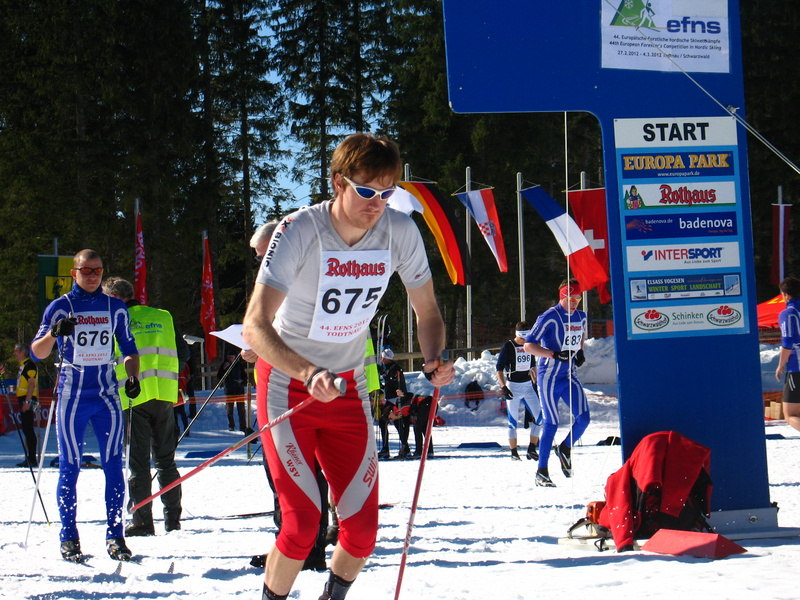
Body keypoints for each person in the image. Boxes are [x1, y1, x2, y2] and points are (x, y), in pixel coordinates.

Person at [242, 132, 453, 600]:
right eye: (365, 191)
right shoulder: (300, 229)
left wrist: (434, 358)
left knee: (362, 532)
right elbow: (255, 325)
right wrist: (307, 372)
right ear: (338, 183)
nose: (377, 204)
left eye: (387, 193)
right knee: (302, 525)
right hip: (287, 387)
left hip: (348, 389)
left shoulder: (399, 231)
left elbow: (428, 312)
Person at [31, 249, 140, 562]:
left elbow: (129, 349)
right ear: (74, 273)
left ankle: (115, 536)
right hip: (72, 397)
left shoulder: (115, 307)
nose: (92, 276)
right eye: (86, 270)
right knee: (70, 465)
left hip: (106, 396)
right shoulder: (60, 306)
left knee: (113, 464)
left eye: (97, 271)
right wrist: (54, 333)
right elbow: (37, 352)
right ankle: (68, 536)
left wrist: (133, 376)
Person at [102, 277, 186, 536]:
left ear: (114, 297)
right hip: (164, 394)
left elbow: (106, 359)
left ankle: (142, 521)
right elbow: (183, 353)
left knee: (138, 462)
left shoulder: (117, 320)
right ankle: (173, 520)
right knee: (166, 461)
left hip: (133, 396)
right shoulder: (163, 316)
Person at [524, 279, 589, 487]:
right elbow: (528, 346)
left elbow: (580, 337)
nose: (575, 302)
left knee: (584, 418)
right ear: (562, 297)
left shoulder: (581, 316)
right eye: (571, 298)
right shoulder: (549, 317)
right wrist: (552, 354)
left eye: (578, 298)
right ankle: (541, 471)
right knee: (551, 423)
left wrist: (580, 352)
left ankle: (565, 448)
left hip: (568, 375)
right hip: (549, 377)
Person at [496, 321, 542, 461]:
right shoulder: (508, 346)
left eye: (527, 338)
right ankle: (514, 452)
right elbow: (499, 369)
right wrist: (503, 387)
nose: (525, 341)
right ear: (518, 335)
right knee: (513, 421)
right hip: (513, 387)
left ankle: (531, 448)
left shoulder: (529, 345)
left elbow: (532, 365)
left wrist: (536, 383)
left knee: (540, 418)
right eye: (523, 338)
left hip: (528, 386)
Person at [775, 276, 800, 432]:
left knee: (791, 415)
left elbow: (788, 343)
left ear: (785, 295)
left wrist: (780, 365)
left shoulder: (789, 313)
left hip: (797, 368)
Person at [378, 348, 411, 459]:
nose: (382, 359)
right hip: (391, 399)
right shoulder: (388, 368)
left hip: (396, 400)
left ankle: (399, 447)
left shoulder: (395, 368)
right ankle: (401, 447)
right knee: (390, 422)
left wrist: (384, 376)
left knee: (389, 421)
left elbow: (396, 383)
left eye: (383, 357)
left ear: (387, 358)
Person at [12, 343, 39, 467]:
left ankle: (32, 459)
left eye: (16, 351)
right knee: (26, 429)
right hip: (23, 398)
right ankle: (29, 457)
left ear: (23, 352)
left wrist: (27, 402)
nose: (14, 354)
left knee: (28, 429)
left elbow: (32, 385)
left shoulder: (29, 365)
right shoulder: (23, 365)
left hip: (28, 399)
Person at [218, 353, 253, 434]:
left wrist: (242, 381)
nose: (230, 358)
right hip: (229, 390)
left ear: (234, 357)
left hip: (239, 390)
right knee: (229, 410)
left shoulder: (239, 365)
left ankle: (243, 426)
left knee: (241, 410)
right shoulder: (224, 364)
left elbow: (245, 377)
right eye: (229, 357)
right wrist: (224, 368)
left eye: (232, 357)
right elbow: (219, 376)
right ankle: (231, 425)